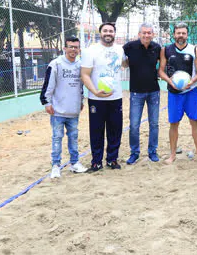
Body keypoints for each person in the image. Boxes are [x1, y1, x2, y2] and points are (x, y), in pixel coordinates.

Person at [81, 23, 126, 172]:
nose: (108, 33)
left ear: (114, 33)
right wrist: (94, 91)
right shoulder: (91, 50)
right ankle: (96, 161)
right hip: (96, 98)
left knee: (115, 130)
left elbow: (126, 64)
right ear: (100, 33)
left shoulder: (120, 50)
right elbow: (84, 75)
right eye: (105, 30)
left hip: (115, 97)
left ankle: (112, 159)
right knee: (96, 131)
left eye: (111, 31)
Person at [40, 36, 88, 178]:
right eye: (71, 47)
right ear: (65, 48)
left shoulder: (80, 65)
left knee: (73, 137)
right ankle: (56, 166)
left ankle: (74, 163)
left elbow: (80, 86)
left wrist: (80, 101)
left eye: (76, 47)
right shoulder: (56, 64)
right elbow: (48, 85)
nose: (73, 50)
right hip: (58, 110)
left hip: (73, 110)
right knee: (57, 137)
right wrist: (46, 102)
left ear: (79, 49)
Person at [158, 22, 197, 164]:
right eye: (178, 33)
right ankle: (172, 155)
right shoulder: (166, 50)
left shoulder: (194, 50)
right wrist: (169, 81)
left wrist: (192, 81)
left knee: (194, 122)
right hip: (173, 92)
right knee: (174, 124)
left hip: (190, 91)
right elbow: (161, 71)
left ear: (187, 34)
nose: (181, 36)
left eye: (183, 33)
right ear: (174, 34)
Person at [122, 23, 162, 165]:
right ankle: (134, 152)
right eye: (144, 33)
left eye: (149, 33)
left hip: (153, 91)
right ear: (139, 34)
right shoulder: (129, 47)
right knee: (134, 125)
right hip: (136, 92)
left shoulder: (157, 48)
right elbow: (122, 61)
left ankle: (152, 151)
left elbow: (162, 65)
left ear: (153, 34)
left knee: (154, 124)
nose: (146, 35)